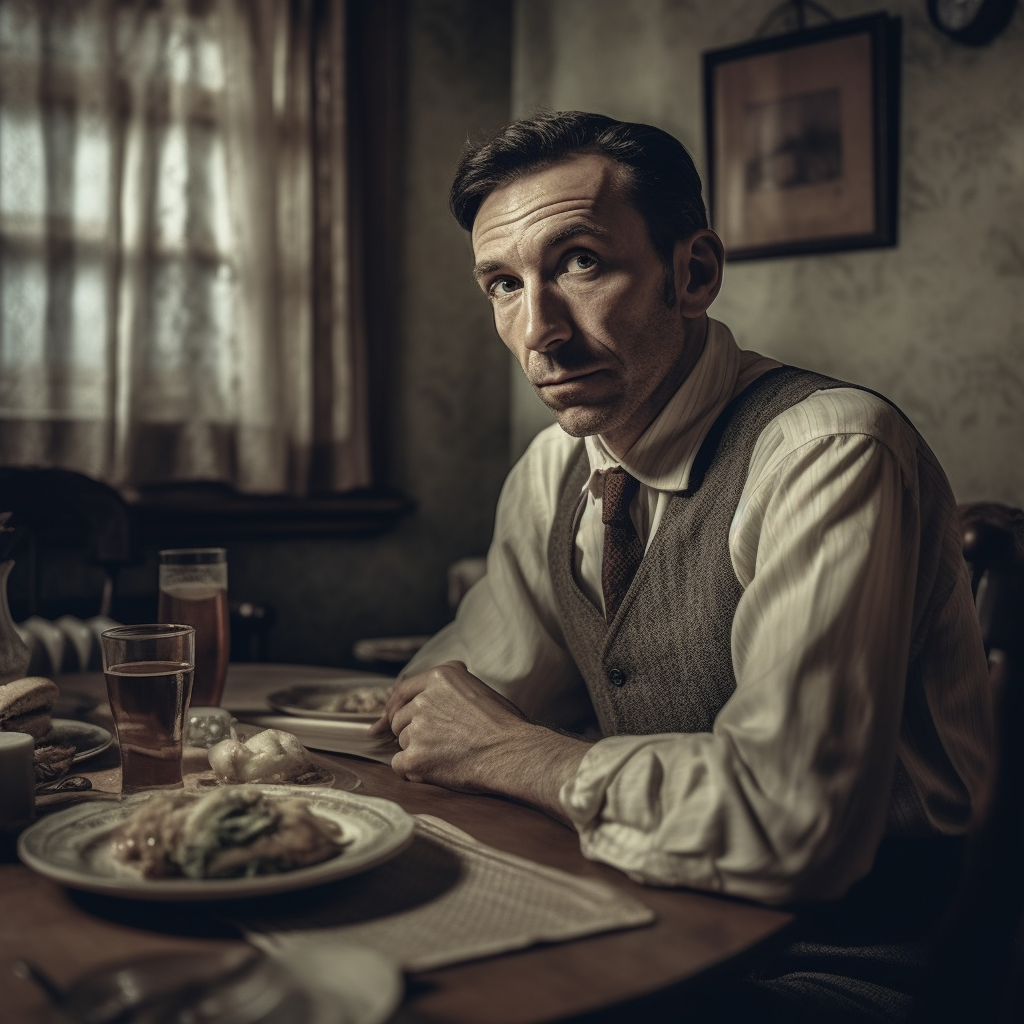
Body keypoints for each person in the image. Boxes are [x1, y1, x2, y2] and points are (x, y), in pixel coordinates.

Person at [368, 110, 992, 1014]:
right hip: (642, 910)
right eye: (503, 284)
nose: (538, 329)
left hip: (846, 961)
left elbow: (792, 826)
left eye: (579, 262)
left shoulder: (829, 450)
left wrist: (518, 754)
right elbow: (460, 697)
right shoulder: (554, 469)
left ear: (693, 272)